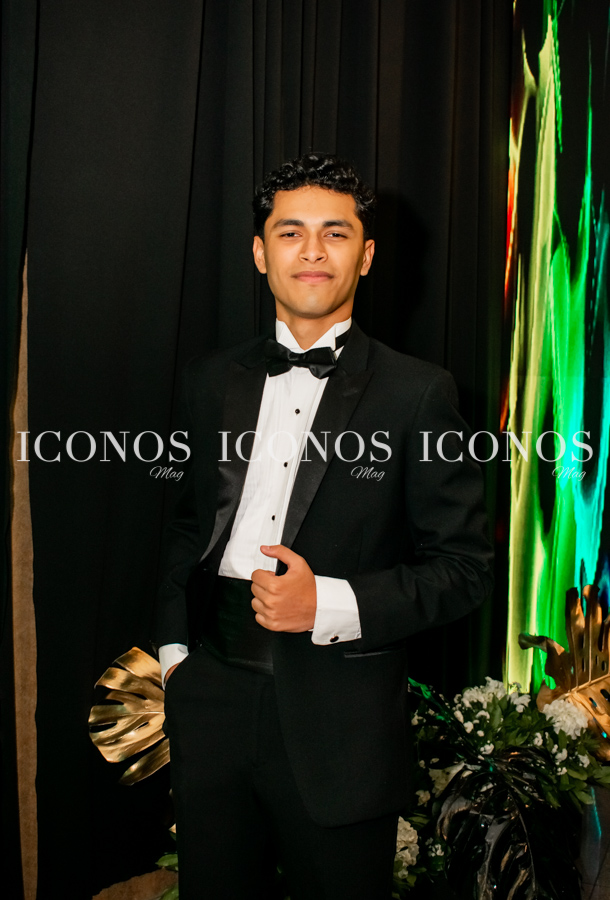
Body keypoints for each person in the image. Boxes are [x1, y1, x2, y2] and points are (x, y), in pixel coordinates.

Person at [154, 153, 493, 900]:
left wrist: (328, 604)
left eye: (335, 233)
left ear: (365, 256)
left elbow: (465, 570)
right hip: (210, 699)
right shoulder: (209, 379)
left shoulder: (420, 393)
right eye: (290, 232)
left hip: (341, 722)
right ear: (259, 252)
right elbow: (187, 525)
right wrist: (176, 656)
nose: (312, 250)